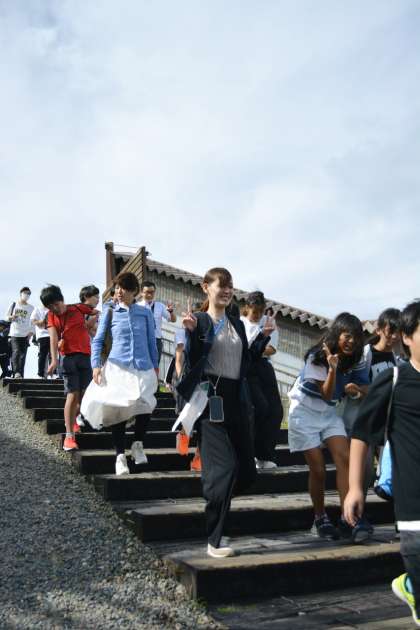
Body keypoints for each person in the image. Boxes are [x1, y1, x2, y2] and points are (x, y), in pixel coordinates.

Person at [177, 267, 267, 559]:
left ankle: (215, 492)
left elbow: (247, 362)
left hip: (236, 401)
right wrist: (192, 334)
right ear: (206, 287)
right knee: (224, 469)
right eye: (222, 285)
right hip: (210, 400)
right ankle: (214, 540)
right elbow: (193, 359)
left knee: (248, 473)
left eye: (231, 286)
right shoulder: (200, 320)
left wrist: (263, 338)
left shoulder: (236, 323)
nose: (227, 291)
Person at [344, 301, 420, 627]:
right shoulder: (394, 379)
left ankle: (412, 586)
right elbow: (362, 434)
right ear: (407, 337)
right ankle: (413, 585)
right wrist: (354, 489)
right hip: (413, 502)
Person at [287, 312, 370, 542]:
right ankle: (320, 518)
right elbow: (326, 393)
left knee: (345, 458)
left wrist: (358, 390)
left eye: (355, 337)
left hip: (329, 413)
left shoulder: (356, 357)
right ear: (336, 335)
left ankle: (348, 517)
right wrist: (333, 369)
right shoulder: (316, 356)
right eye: (347, 336)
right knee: (319, 470)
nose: (351, 341)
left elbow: (367, 387)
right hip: (304, 412)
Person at [81, 272, 159, 475]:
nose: (119, 291)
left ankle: (138, 444)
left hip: (143, 366)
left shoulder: (145, 313)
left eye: (124, 288)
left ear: (134, 291)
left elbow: (151, 341)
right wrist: (96, 365)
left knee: (146, 404)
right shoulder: (110, 311)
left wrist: (156, 366)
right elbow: (98, 340)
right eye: (117, 287)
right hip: (118, 366)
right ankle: (120, 456)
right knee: (119, 409)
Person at [41, 285, 98, 451]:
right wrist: (53, 361)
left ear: (62, 300)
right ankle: (69, 437)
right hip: (68, 358)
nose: (54, 308)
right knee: (73, 395)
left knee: (86, 396)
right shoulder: (51, 316)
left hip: (85, 356)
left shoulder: (77, 308)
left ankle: (74, 419)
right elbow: (53, 338)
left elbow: (95, 311)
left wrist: (96, 316)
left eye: (56, 304)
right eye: (50, 306)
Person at [241, 292, 283, 470]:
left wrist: (255, 348)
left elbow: (271, 349)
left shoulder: (268, 321)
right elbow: (242, 349)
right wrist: (257, 347)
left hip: (264, 366)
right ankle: (249, 453)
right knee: (259, 408)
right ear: (247, 308)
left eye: (260, 311)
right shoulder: (240, 323)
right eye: (254, 311)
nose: (258, 315)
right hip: (248, 369)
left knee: (276, 411)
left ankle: (265, 455)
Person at [139, 281, 176, 367]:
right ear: (141, 293)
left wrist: (171, 312)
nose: (149, 295)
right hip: (142, 340)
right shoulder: (137, 307)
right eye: (147, 292)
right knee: (141, 367)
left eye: (152, 292)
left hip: (156, 341)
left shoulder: (160, 306)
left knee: (154, 367)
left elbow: (173, 320)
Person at [5, 287, 34, 378]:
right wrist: (11, 317)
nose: (27, 295)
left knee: (23, 355)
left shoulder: (31, 308)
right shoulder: (14, 304)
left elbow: (33, 321)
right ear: (21, 293)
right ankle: (16, 372)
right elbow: (6, 317)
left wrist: (31, 332)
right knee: (16, 352)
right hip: (15, 333)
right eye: (25, 293)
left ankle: (21, 375)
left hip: (25, 334)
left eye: (29, 293)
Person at [30, 304, 51, 378]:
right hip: (42, 335)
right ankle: (41, 374)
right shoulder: (37, 309)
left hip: (53, 334)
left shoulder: (53, 308)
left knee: (53, 354)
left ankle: (53, 373)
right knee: (42, 355)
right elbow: (32, 320)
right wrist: (40, 322)